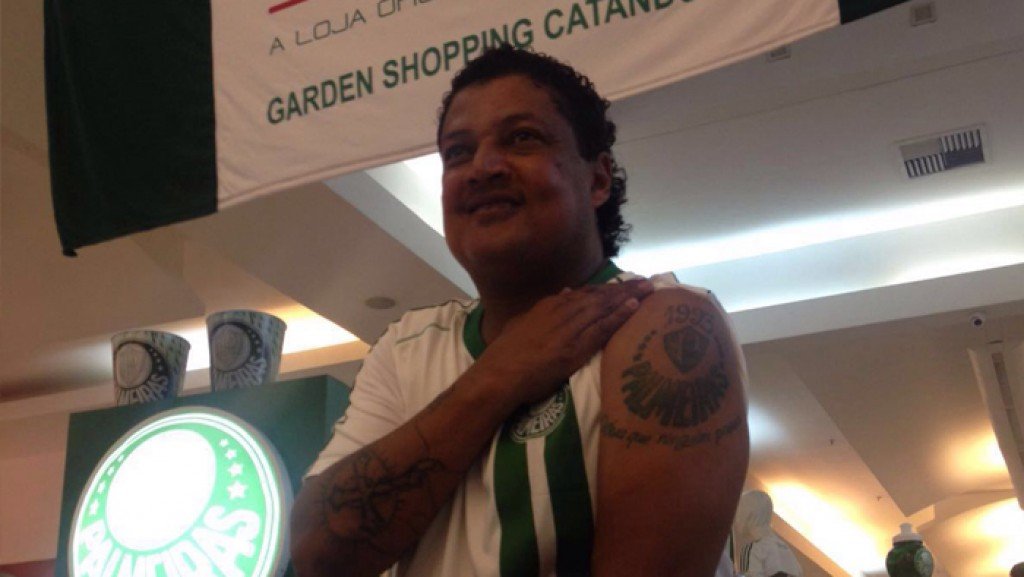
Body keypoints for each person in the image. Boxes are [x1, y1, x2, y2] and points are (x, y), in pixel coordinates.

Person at [290, 45, 750, 577]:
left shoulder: (665, 325)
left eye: (521, 138)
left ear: (598, 179)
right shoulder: (406, 346)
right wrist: (500, 375)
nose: (483, 167)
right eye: (458, 152)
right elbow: (318, 555)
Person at [733, 491, 803, 577]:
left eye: (739, 512)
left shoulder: (755, 550)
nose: (736, 518)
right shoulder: (787, 552)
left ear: (749, 514)